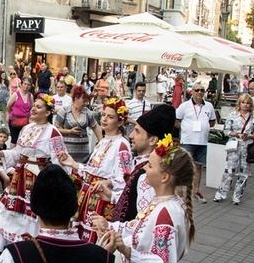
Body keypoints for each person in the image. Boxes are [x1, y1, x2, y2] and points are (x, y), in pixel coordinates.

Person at [0, 94, 68, 259]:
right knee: (7, 209)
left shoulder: (53, 133)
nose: (34, 109)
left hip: (38, 178)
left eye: (38, 107)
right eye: (34, 106)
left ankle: (30, 250)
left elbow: (61, 162)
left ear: (47, 112)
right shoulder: (26, 128)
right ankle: (2, 246)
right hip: (20, 175)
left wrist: (54, 184)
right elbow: (17, 153)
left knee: (32, 216)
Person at [59, 97, 133, 242]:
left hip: (101, 199)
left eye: (110, 117)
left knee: (95, 237)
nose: (104, 119)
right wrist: (73, 163)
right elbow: (92, 170)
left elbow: (125, 178)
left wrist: (107, 182)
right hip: (88, 196)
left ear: (121, 121)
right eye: (104, 115)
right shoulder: (103, 141)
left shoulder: (122, 145)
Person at [118, 104, 177, 221]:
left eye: (137, 131)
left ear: (153, 140)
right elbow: (134, 198)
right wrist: (110, 195)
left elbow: (144, 222)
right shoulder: (144, 165)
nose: (131, 135)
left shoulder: (149, 173)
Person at [175, 82, 216, 202]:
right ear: (192, 92)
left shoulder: (209, 106)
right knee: (184, 165)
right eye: (197, 90)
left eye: (202, 90)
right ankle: (180, 189)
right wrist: (185, 128)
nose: (199, 93)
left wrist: (204, 127)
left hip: (202, 141)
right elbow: (176, 121)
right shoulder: (185, 106)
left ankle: (196, 190)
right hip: (188, 140)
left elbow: (212, 122)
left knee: (198, 166)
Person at [215, 94, 254, 204]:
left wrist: (248, 136)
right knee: (229, 170)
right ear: (239, 103)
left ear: (251, 105)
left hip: (247, 147)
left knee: (244, 172)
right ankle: (221, 193)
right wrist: (237, 134)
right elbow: (226, 131)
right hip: (234, 146)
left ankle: (237, 196)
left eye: (248, 103)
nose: (245, 105)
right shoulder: (232, 115)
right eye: (243, 102)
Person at [54, 85, 102, 161]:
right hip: (67, 152)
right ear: (76, 99)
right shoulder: (64, 111)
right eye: (84, 101)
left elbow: (95, 126)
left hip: (83, 152)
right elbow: (55, 129)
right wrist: (69, 131)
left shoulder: (87, 112)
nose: (85, 103)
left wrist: (101, 143)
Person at [6, 76, 33, 144]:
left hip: (25, 121)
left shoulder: (30, 96)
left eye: (28, 85)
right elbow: (8, 106)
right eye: (25, 84)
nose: (26, 86)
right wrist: (12, 113)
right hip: (14, 120)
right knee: (14, 139)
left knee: (24, 139)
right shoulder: (15, 94)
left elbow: (31, 108)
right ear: (21, 84)